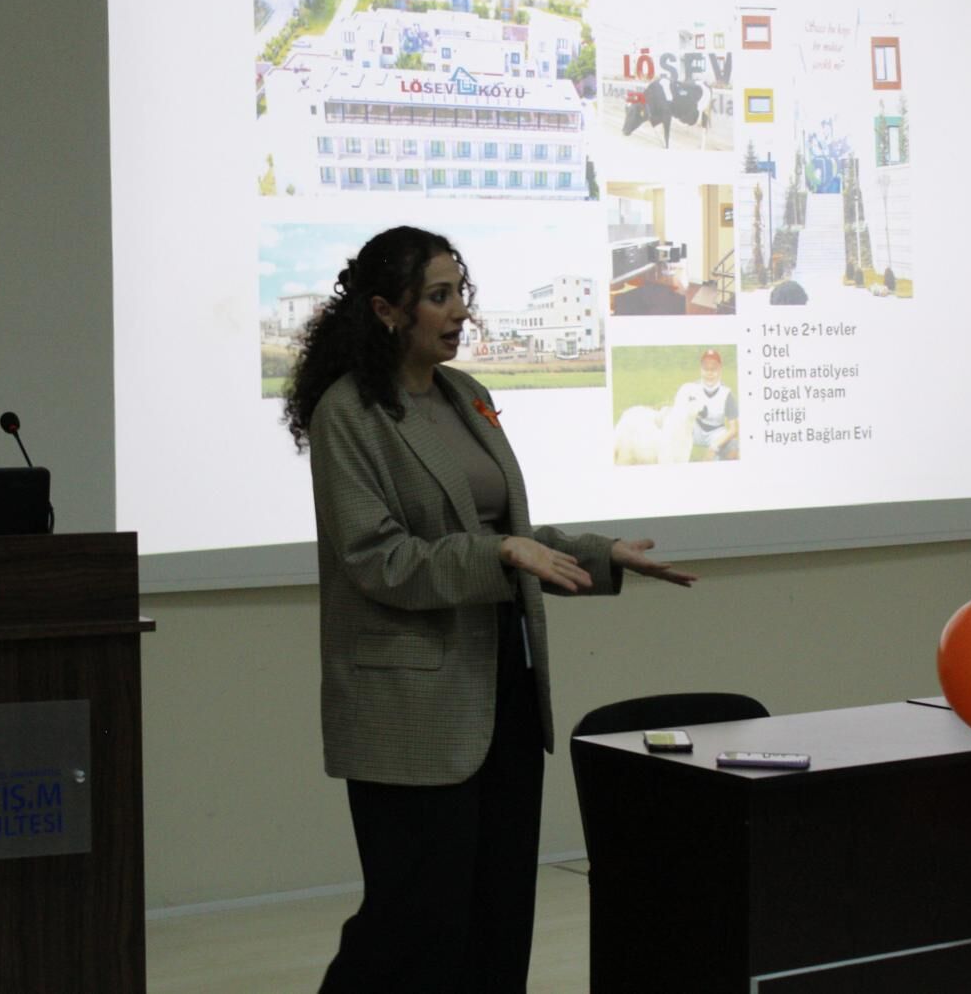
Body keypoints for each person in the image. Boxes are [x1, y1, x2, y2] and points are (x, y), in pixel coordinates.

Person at [283, 226, 696, 993]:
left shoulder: (465, 394)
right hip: (411, 703)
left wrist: (602, 555)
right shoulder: (349, 413)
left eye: (460, 293)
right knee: (412, 926)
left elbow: (506, 533)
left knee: (498, 915)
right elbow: (378, 558)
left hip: (503, 682)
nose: (459, 312)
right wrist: (499, 555)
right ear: (385, 310)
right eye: (438, 297)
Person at [672, 348, 739, 461]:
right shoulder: (692, 388)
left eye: (713, 369)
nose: (709, 373)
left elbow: (734, 430)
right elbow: (679, 412)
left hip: (716, 431)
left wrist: (714, 447)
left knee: (733, 448)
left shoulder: (726, 393)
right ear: (701, 369)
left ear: (720, 370)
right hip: (696, 429)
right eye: (706, 369)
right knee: (674, 432)